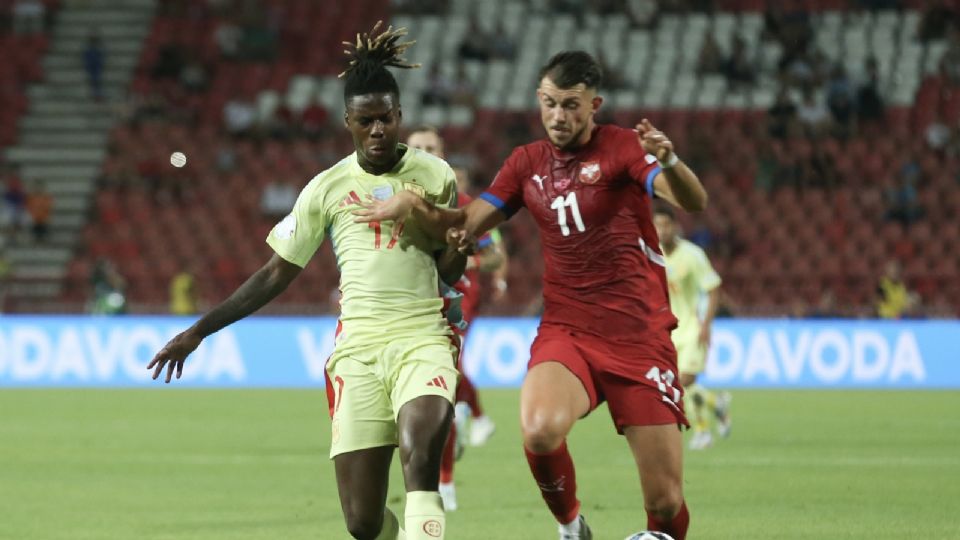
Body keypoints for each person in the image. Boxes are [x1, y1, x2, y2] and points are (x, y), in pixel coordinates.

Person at [355, 50, 707, 540]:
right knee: (539, 428)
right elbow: (466, 224)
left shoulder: (623, 148)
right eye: (549, 103)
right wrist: (413, 204)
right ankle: (570, 528)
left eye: (570, 105)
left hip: (637, 336)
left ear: (594, 105)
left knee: (665, 506)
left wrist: (669, 157)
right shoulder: (527, 163)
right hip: (568, 330)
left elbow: (691, 199)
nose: (558, 116)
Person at [147, 22, 468, 540]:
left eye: (386, 117)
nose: (379, 130)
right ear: (348, 122)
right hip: (358, 351)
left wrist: (457, 249)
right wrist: (200, 330)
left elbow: (448, 269)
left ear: (400, 115)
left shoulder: (435, 175)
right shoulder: (326, 188)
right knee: (363, 523)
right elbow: (277, 272)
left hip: (422, 338)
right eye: (366, 121)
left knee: (420, 451)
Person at [406, 125, 506, 511]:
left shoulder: (466, 205)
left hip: (451, 309)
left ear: (443, 153)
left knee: (441, 390)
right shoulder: (387, 197)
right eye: (417, 147)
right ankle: (468, 419)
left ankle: (443, 481)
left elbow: (495, 255)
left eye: (432, 147)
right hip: (401, 309)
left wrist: (471, 257)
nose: (425, 152)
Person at [653, 204, 730, 451]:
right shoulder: (652, 255)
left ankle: (702, 433)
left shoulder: (692, 255)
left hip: (693, 329)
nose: (661, 230)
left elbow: (713, 288)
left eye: (666, 225)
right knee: (677, 384)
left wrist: (706, 325)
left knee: (685, 380)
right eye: (657, 225)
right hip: (668, 330)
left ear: (675, 227)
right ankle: (716, 404)